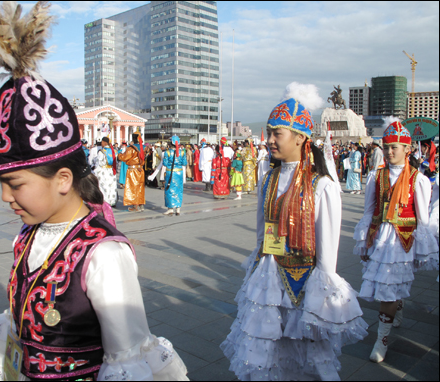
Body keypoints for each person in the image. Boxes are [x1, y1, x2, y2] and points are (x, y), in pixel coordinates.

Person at [0, 3, 188, 381]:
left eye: (15, 184)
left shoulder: (104, 254)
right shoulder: (28, 236)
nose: (6, 197)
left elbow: (128, 358)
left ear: (63, 179)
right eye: (1, 183)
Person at [221, 84, 367, 381]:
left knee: (306, 357)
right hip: (269, 276)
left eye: (278, 133)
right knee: (268, 351)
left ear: (301, 138)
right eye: (270, 132)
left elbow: (327, 252)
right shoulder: (269, 177)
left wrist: (321, 300)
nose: (271, 140)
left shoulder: (321, 185)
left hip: (305, 282)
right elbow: (262, 233)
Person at [353, 121, 438, 364]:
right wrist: (364, 240)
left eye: (395, 148)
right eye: (387, 147)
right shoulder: (376, 176)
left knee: (388, 289)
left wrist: (423, 246)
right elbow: (370, 210)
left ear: (407, 149)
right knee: (387, 287)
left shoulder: (417, 179)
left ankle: (382, 340)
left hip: (403, 240)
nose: (390, 152)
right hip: (379, 237)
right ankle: (394, 312)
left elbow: (422, 217)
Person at [150, 135, 187, 216]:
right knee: (179, 190)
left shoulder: (167, 152)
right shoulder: (183, 152)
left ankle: (170, 209)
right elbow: (184, 163)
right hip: (179, 173)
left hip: (170, 173)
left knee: (169, 190)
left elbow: (165, 163)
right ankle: (178, 209)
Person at [118, 130, 146, 212]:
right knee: (140, 187)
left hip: (133, 170)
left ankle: (135, 206)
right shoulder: (143, 147)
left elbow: (124, 157)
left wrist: (119, 155)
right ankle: (141, 205)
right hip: (140, 169)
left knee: (133, 187)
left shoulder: (131, 148)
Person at [96, 137, 118, 207]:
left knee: (104, 186)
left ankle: (105, 201)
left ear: (105, 143)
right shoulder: (114, 151)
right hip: (111, 170)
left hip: (103, 171)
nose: (101, 143)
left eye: (102, 142)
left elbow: (99, 162)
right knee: (112, 186)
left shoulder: (102, 151)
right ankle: (112, 201)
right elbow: (116, 162)